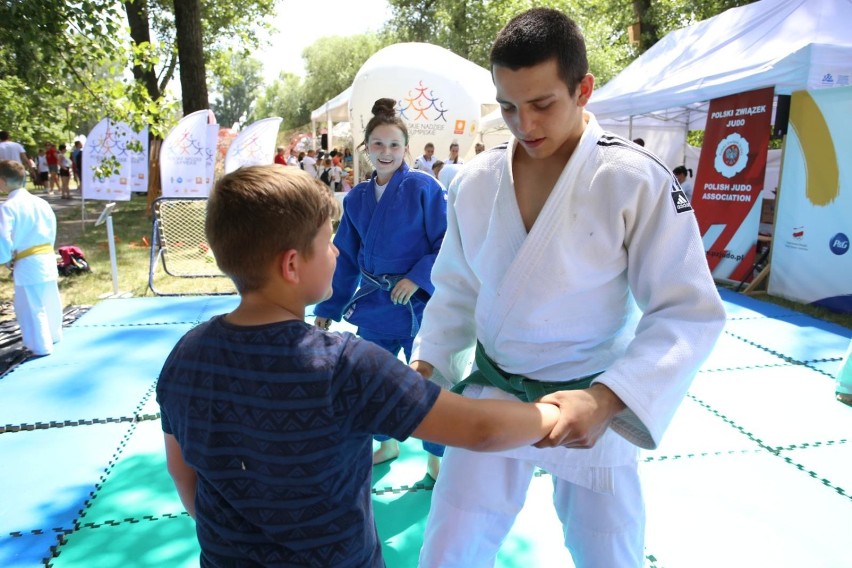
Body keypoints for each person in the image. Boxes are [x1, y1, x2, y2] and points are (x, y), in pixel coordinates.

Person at [410, 8, 726, 567]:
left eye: (541, 104)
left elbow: (686, 310)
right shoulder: (477, 181)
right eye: (508, 107)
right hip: (496, 391)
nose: (524, 124)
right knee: (449, 546)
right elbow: (457, 288)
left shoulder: (634, 179)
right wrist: (427, 364)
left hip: (591, 398)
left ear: (583, 89)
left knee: (611, 553)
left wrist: (608, 399)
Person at [156, 164, 561, 567]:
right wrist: (559, 413)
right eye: (328, 241)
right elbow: (480, 428)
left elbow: (181, 473)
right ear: (292, 265)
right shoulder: (345, 366)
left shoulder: (185, 356)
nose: (336, 251)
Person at [313, 98, 448, 480]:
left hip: (420, 305)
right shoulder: (355, 198)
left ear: (406, 149)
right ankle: (387, 443)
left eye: (393, 145)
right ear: (366, 147)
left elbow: (447, 243)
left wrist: (417, 277)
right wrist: (329, 304)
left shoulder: (425, 188)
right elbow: (346, 258)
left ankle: (436, 456)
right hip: (376, 304)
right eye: (377, 144)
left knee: (431, 384)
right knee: (373, 382)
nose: (385, 152)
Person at [0, 160, 63, 356]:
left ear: (2, 181)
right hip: (46, 256)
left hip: (27, 261)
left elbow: (3, 237)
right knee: (50, 298)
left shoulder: (8, 207)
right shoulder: (41, 202)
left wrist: (4, 258)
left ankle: (40, 345)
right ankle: (54, 335)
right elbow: (52, 228)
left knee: (30, 305)